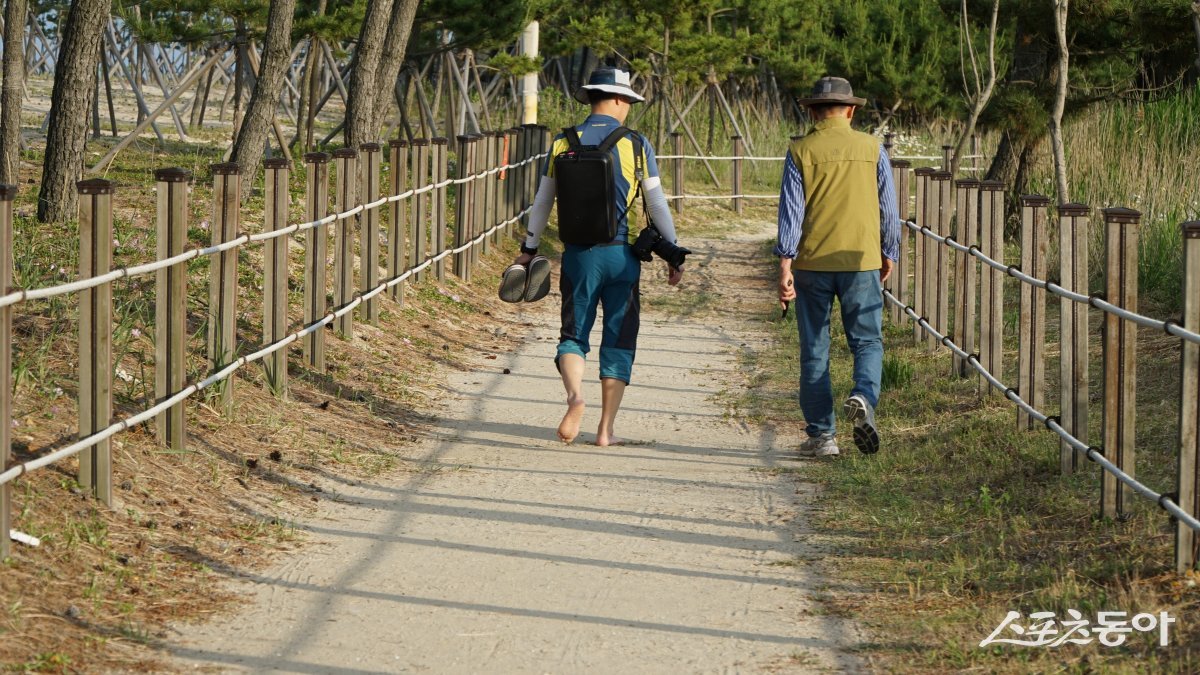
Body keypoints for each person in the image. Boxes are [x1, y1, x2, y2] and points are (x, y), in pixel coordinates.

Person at [514, 67, 683, 446]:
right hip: (622, 258)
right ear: (620, 99)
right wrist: (673, 252)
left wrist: (528, 250)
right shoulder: (636, 144)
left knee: (573, 334)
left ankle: (575, 397)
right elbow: (656, 203)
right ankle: (605, 431)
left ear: (591, 98)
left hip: (578, 258)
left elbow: (542, 202)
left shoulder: (562, 141)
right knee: (619, 339)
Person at [775, 76, 901, 458]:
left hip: (812, 263)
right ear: (851, 110)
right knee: (867, 341)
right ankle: (863, 395)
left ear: (812, 111)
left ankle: (823, 437)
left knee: (815, 348)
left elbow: (791, 214)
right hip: (860, 259)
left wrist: (785, 262)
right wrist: (888, 251)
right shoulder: (873, 148)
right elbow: (889, 209)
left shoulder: (800, 151)